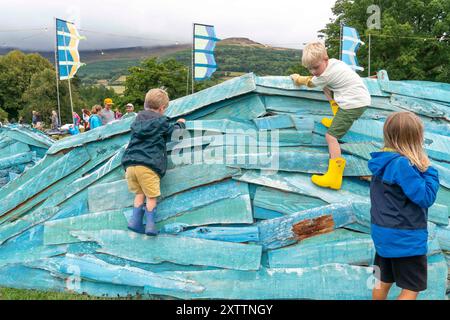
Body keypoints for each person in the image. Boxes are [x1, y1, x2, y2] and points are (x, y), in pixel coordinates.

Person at [369, 112, 439, 300]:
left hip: (382, 235)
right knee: (411, 289)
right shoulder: (402, 165)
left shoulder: (380, 163)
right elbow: (425, 197)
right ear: (416, 138)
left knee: (381, 280)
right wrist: (430, 171)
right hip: (405, 239)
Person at [290, 41, 371, 190]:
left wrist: (297, 78)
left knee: (331, 137)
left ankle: (334, 176)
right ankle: (336, 118)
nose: (313, 71)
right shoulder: (334, 64)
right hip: (357, 98)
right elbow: (320, 81)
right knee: (326, 87)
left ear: (325, 59)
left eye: (316, 67)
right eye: (309, 68)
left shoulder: (325, 75)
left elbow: (310, 83)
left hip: (353, 103)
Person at [121, 88, 186, 236]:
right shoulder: (161, 121)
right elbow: (175, 134)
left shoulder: (137, 120)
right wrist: (180, 123)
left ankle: (134, 222)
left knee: (139, 193)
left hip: (130, 165)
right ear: (162, 108)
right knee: (151, 196)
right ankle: (150, 226)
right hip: (148, 165)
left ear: (145, 104)